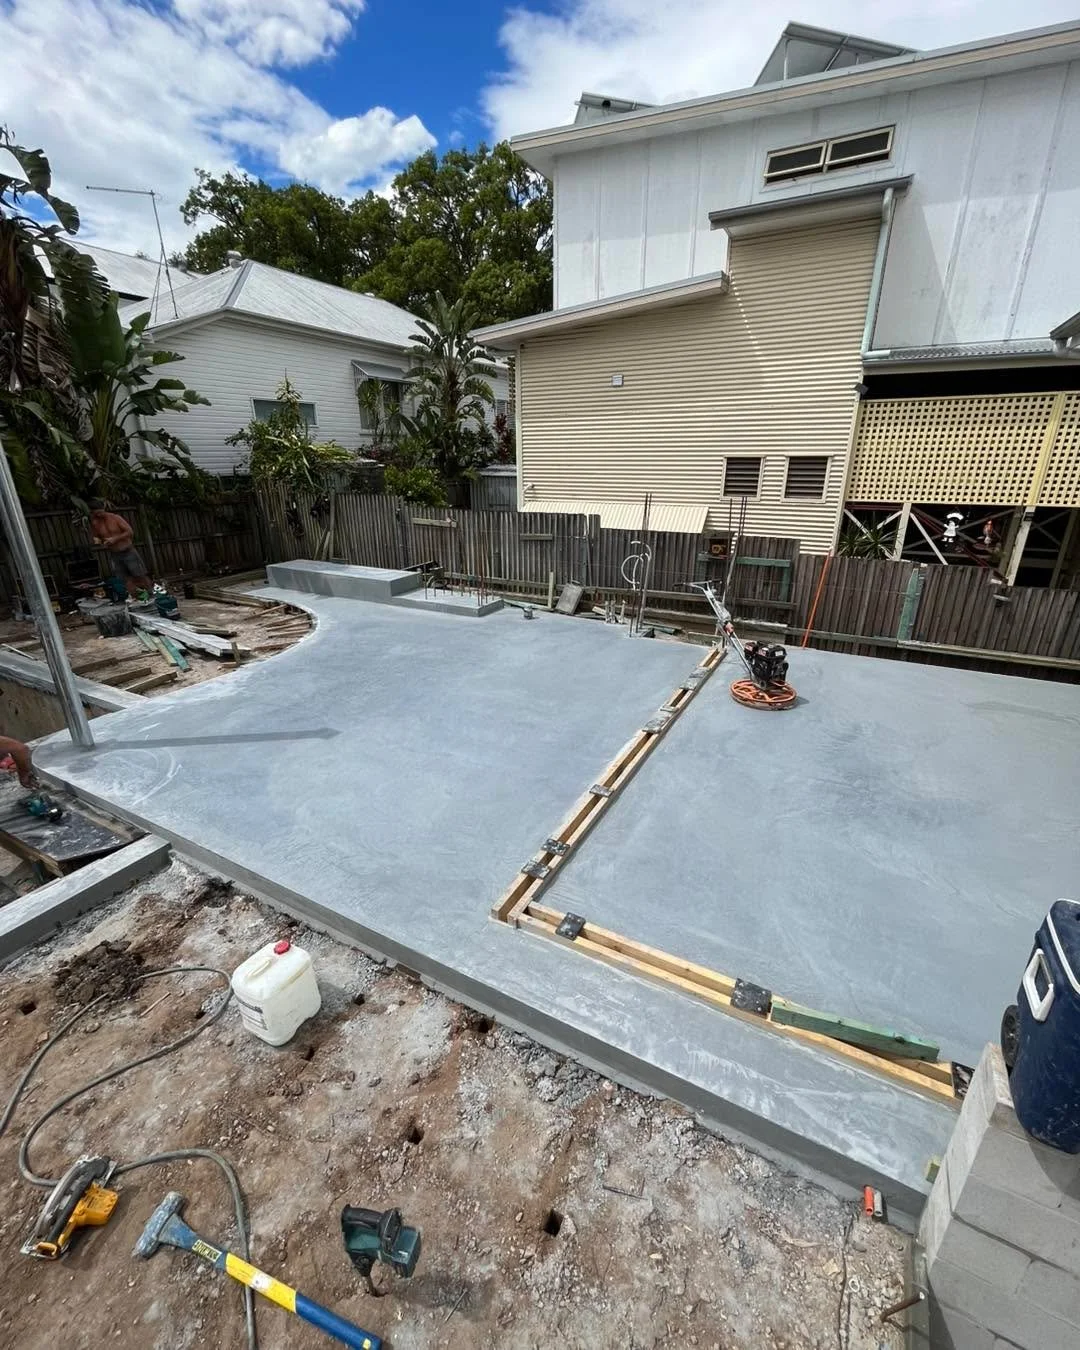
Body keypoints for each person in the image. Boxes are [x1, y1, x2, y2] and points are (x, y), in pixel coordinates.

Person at [89, 507, 153, 599]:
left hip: (128, 551)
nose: (99, 515)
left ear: (103, 509)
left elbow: (130, 532)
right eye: (96, 514)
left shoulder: (115, 518)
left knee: (140, 575)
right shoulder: (95, 523)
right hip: (115, 554)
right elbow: (96, 537)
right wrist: (100, 543)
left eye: (100, 512)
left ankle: (151, 594)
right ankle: (136, 598)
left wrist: (115, 539)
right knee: (125, 579)